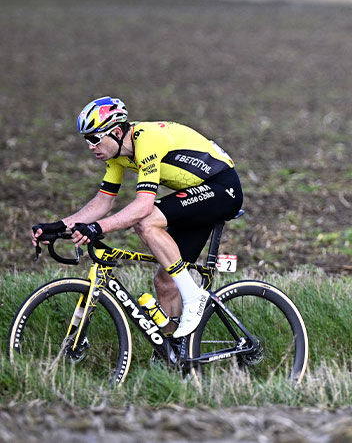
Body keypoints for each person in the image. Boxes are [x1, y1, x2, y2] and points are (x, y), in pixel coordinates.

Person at [31, 96, 243, 339]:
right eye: (86, 140)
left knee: (146, 221)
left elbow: (143, 208)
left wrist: (97, 228)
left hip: (222, 188)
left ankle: (194, 296)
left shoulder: (147, 140)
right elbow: (103, 202)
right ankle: (175, 356)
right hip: (198, 196)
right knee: (166, 282)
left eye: (94, 138)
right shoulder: (117, 156)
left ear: (118, 131)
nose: (90, 146)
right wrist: (60, 226)